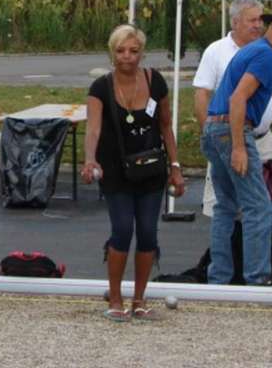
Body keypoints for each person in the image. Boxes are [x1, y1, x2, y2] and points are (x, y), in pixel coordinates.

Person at [81, 24, 185, 321]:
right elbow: (93, 128)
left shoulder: (155, 82)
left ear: (142, 53)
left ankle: (139, 299)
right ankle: (115, 299)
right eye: (120, 51)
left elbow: (165, 125)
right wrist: (90, 160)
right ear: (112, 53)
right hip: (115, 171)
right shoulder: (100, 87)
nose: (127, 57)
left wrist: (175, 168)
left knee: (149, 233)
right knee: (123, 229)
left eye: (133, 51)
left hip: (151, 169)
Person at [202, 6, 272, 286]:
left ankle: (220, 277)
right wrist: (239, 146)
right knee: (259, 208)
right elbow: (238, 99)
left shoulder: (255, 50)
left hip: (214, 128)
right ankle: (257, 279)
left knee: (226, 207)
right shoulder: (265, 54)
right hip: (232, 129)